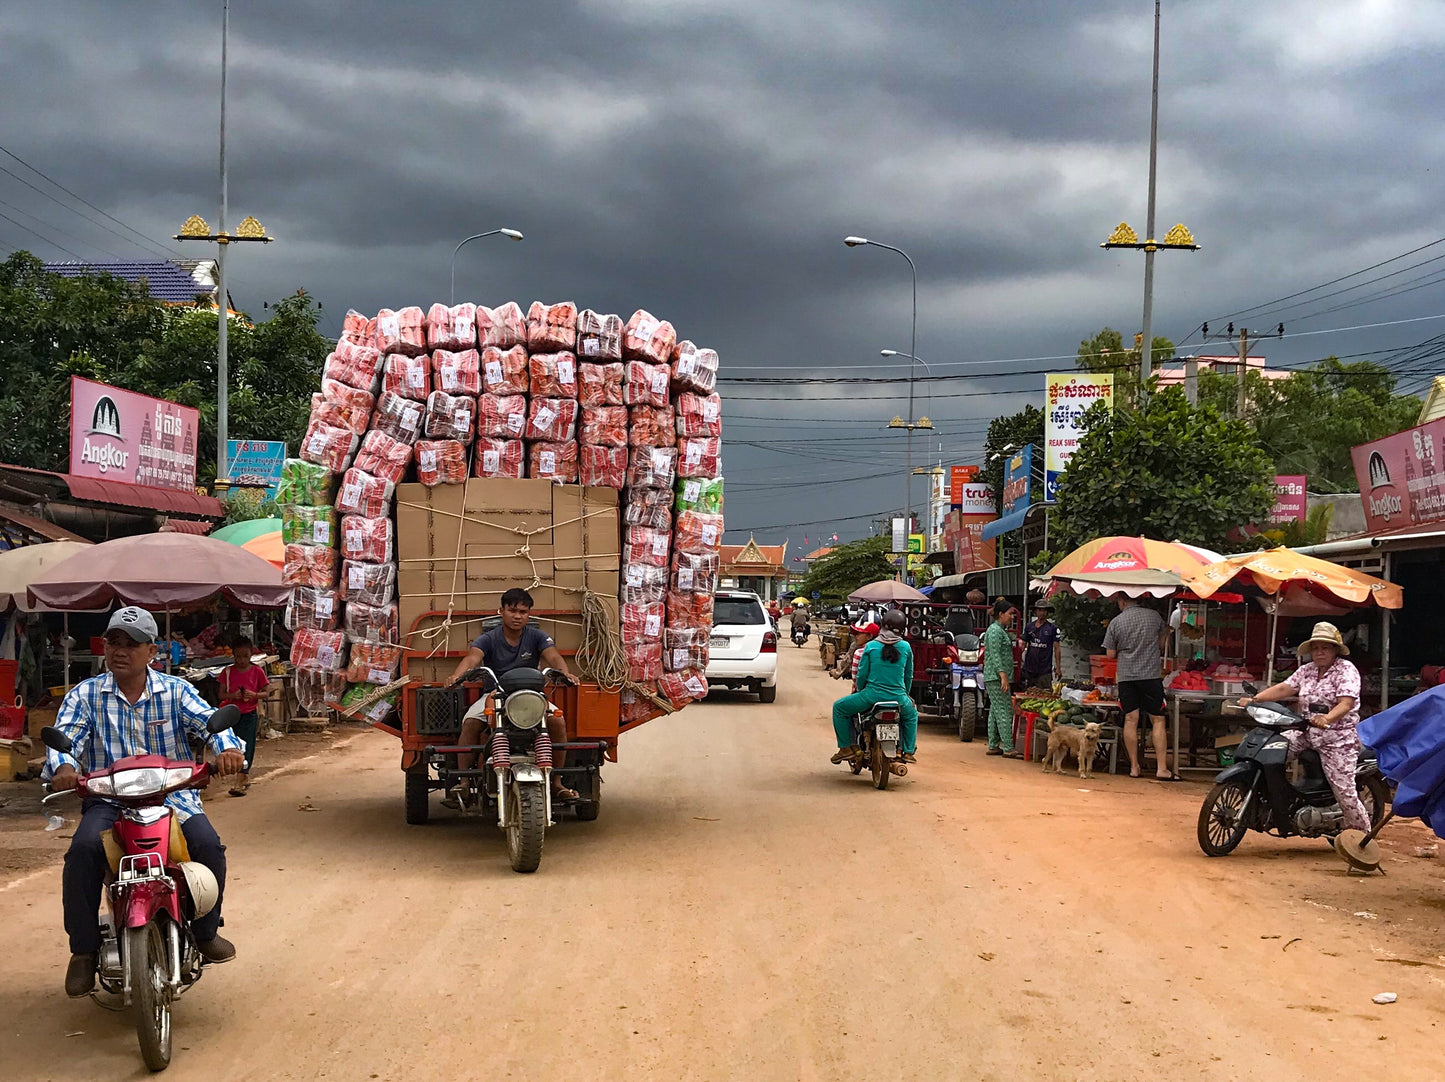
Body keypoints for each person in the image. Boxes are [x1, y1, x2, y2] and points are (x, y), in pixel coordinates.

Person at [43, 606, 246, 997]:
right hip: (109, 802)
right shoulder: (85, 695)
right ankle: (83, 951)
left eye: (132, 644)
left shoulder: (176, 690)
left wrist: (228, 750)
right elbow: (66, 739)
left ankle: (205, 933)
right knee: (83, 851)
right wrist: (64, 766)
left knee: (208, 846)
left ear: (152, 651)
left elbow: (211, 723)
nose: (120, 651)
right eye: (113, 642)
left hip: (173, 798)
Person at [446, 589, 578, 805]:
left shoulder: (537, 637)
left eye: (523, 612)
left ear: (529, 615)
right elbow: (472, 658)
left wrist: (565, 673)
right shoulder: (488, 638)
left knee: (557, 722)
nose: (517, 616)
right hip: (495, 695)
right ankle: (464, 781)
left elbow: (553, 656)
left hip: (532, 696)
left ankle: (557, 782)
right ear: (501, 611)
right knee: (470, 722)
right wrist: (456, 676)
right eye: (512, 610)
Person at [1240, 621, 1369, 831]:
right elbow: (1284, 688)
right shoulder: (1306, 670)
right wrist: (1255, 700)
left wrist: (1327, 719)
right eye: (1316, 648)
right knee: (1269, 752)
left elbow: (1346, 703)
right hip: (1306, 732)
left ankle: (1363, 836)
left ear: (1335, 649)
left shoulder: (1346, 670)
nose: (1319, 653)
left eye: (1325, 648)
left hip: (1338, 739)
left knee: (1344, 792)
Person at [830, 610, 918, 764]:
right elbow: (908, 675)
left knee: (839, 708)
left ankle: (845, 748)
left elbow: (861, 676)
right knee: (911, 715)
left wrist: (862, 691)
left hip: (871, 696)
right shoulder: (906, 647)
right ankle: (908, 751)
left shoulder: (870, 646)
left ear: (883, 626)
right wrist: (906, 695)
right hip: (899, 698)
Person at [1104, 596, 1174, 780]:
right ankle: (1161, 769)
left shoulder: (1116, 622)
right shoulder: (1155, 617)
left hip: (1127, 677)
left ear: (1122, 601)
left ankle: (1134, 767)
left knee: (1130, 719)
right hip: (1150, 675)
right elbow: (1161, 645)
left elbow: (1110, 654)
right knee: (1158, 719)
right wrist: (1164, 634)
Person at [218, 636, 270, 797]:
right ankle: (240, 775)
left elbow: (267, 692)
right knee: (231, 746)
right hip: (230, 714)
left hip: (249, 714)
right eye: (238, 656)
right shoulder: (227, 672)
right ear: (233, 655)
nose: (241, 660)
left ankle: (242, 777)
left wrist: (254, 694)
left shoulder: (257, 671)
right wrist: (232, 695)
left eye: (245, 656)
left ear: (251, 655)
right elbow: (221, 694)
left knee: (248, 746)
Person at [983, 599, 1021, 758]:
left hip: (994, 676)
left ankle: (993, 744)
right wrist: (1003, 675)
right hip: (996, 677)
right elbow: (995, 654)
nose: (1012, 617)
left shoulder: (998, 630)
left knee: (995, 710)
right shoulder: (995, 631)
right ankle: (1008, 747)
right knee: (1005, 710)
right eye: (1010, 614)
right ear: (1000, 614)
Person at [1021, 602, 1061, 689]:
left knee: (1045, 695)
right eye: (1039, 610)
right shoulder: (1029, 627)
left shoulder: (1052, 628)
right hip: (1029, 668)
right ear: (1035, 611)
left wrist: (1058, 667)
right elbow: (1023, 644)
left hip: (1044, 669)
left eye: (1044, 610)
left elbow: (1057, 648)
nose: (1042, 613)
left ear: (1047, 612)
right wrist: (1019, 661)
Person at [831, 621, 878, 686]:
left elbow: (857, 679)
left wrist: (836, 672)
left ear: (869, 636)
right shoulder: (885, 649)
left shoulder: (859, 651)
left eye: (859, 633)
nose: (856, 636)